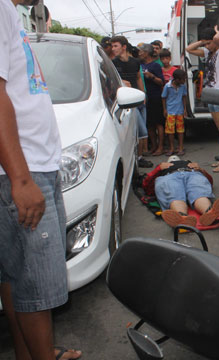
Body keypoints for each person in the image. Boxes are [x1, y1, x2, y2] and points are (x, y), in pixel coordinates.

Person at [0, 1, 82, 359]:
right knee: (37, 288)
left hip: (31, 166)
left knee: (17, 278)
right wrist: (19, 179)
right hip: (23, 169)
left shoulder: (10, 12)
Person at [186, 27, 219, 173]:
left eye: (208, 43)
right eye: (205, 44)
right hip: (210, 92)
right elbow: (189, 49)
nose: (206, 46)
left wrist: (216, 31)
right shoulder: (208, 52)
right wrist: (203, 41)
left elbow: (218, 40)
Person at [144, 155, 219, 227]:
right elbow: (147, 184)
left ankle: (209, 212)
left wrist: (200, 169)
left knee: (198, 193)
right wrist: (158, 168)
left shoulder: (190, 164)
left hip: (192, 173)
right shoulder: (162, 167)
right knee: (175, 194)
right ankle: (182, 217)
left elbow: (209, 181)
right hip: (169, 176)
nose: (174, 160)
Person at [111, 36, 152, 168]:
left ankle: (138, 158)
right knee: (142, 132)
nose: (113, 49)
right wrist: (121, 84)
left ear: (124, 47)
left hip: (139, 100)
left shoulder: (135, 62)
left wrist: (143, 94)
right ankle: (135, 159)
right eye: (112, 46)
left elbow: (138, 77)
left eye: (115, 46)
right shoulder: (113, 63)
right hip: (127, 102)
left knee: (140, 134)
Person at [139, 43, 166, 156]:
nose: (139, 54)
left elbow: (162, 82)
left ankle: (160, 147)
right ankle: (153, 146)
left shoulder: (155, 66)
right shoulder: (139, 64)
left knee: (159, 123)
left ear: (146, 53)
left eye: (141, 51)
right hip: (145, 98)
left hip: (155, 96)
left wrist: (152, 76)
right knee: (149, 124)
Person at [162, 69, 188, 156]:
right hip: (170, 111)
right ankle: (172, 148)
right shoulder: (167, 86)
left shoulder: (183, 86)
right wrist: (165, 109)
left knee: (180, 131)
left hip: (179, 111)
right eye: (182, 79)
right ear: (177, 79)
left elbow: (184, 97)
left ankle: (180, 147)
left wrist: (185, 109)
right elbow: (164, 98)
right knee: (170, 131)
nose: (184, 81)